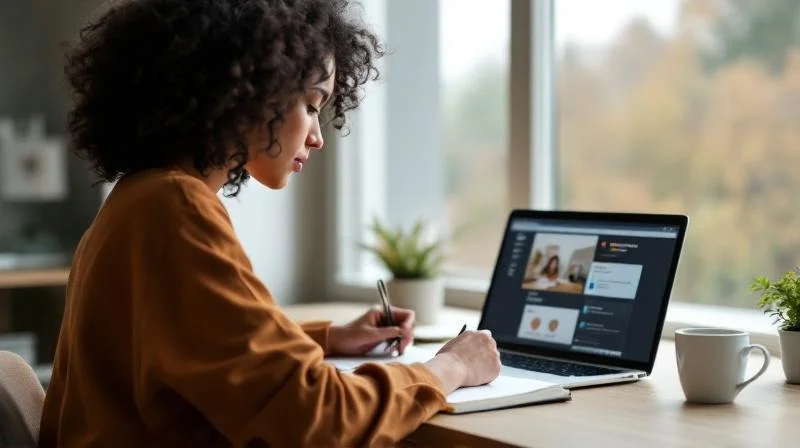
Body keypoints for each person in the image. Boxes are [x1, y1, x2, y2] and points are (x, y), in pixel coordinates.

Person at [39, 1, 501, 447]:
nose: (318, 137)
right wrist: (451, 369)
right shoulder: (174, 209)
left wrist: (329, 338)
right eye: (313, 104)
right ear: (249, 89)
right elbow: (319, 420)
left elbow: (186, 350)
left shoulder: (137, 199)